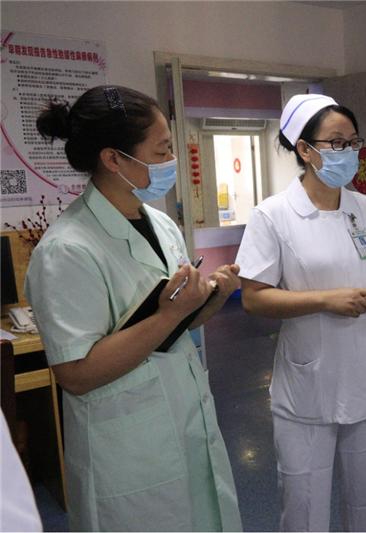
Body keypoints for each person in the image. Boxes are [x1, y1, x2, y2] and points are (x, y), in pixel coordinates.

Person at [26, 86, 242, 531]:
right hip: (126, 448)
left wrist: (210, 299)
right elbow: (76, 373)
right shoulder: (67, 249)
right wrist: (168, 314)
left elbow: (174, 329)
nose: (171, 161)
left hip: (184, 417)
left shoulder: (160, 224)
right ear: (113, 158)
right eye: (161, 151)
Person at [236, 94, 366, 532]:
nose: (349, 151)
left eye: (353, 141)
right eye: (336, 142)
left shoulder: (364, 208)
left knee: (365, 504)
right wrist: (325, 300)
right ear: (305, 149)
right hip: (307, 385)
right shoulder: (273, 215)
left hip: (362, 377)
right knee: (304, 509)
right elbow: (254, 297)